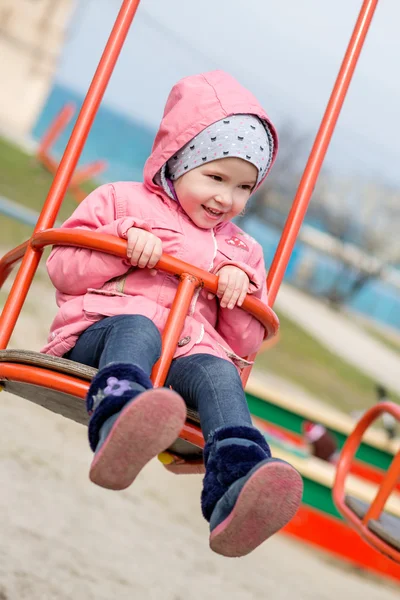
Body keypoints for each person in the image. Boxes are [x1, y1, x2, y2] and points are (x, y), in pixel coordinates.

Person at [42, 70, 303, 558]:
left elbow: (245, 343)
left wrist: (238, 290)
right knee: (139, 326)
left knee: (218, 369)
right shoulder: (121, 200)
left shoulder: (241, 249)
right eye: (216, 177)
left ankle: (236, 486)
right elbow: (62, 269)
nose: (228, 198)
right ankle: (121, 420)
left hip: (183, 356)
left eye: (245, 187)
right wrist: (119, 243)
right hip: (102, 335)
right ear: (178, 160)